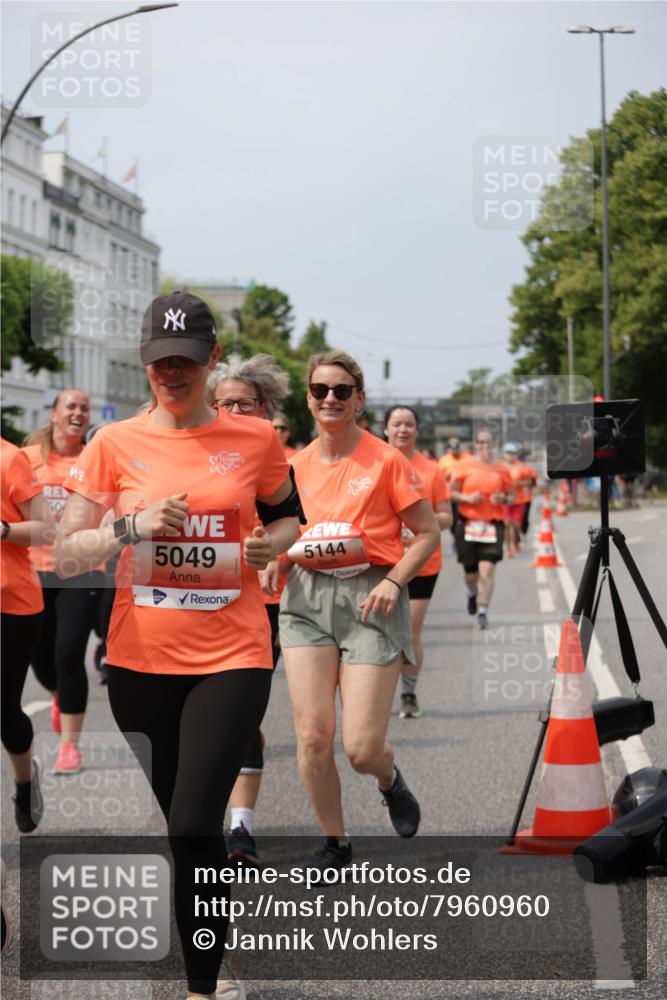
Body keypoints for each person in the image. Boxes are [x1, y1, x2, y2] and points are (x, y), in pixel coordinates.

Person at [54, 291, 300, 1000]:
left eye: (185, 360)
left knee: (196, 820)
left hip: (234, 653)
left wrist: (266, 546)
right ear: (143, 363)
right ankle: (215, 950)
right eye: (159, 360)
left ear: (211, 360)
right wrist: (131, 529)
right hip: (138, 664)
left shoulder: (253, 440)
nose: (171, 371)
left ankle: (199, 990)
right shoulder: (113, 444)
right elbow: (68, 554)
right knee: (185, 836)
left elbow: (291, 522)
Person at [280, 351, 440, 879]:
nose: (330, 399)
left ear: (359, 399)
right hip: (306, 602)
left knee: (361, 747)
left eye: (342, 391)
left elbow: (429, 533)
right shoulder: (291, 467)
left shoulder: (385, 460)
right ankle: (335, 842)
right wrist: (270, 560)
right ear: (308, 398)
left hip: (372, 597)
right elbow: (280, 537)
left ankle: (389, 777)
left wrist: (396, 579)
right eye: (321, 390)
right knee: (312, 735)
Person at [208, 353, 293, 867]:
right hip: (195, 609)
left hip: (262, 608)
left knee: (240, 721)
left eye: (244, 403)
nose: (234, 411)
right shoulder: (195, 452)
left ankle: (240, 827)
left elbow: (296, 523)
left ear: (263, 409)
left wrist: (276, 555)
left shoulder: (275, 459)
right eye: (225, 403)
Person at [23, 389, 103, 773]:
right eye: (70, 406)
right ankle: (57, 695)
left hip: (82, 568)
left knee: (69, 652)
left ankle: (69, 747)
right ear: (54, 415)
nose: (79, 412)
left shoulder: (97, 459)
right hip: (33, 569)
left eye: (84, 408)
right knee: (40, 658)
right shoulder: (28, 460)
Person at [384, 406, 452, 719]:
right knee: (379, 632)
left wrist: (419, 522)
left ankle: (408, 691)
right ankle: (375, 696)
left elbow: (447, 517)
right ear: (385, 429)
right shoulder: (373, 463)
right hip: (381, 561)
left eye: (409, 424)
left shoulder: (431, 470)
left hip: (422, 562)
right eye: (396, 424)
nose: (402, 430)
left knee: (409, 630)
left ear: (417, 430)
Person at [1, 437, 52, 833]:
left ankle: (24, 781)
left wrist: (2, 528)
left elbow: (43, 530)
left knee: (4, 711)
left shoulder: (9, 458)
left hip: (11, 601)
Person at [450, 429, 513, 630]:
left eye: (488, 443)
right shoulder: (462, 466)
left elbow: (512, 496)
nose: (485, 447)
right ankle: (471, 593)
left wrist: (503, 499)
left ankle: (483, 612)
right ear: (475, 444)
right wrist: (467, 498)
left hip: (492, 524)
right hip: (468, 524)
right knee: (471, 575)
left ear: (494, 444)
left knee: (487, 569)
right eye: (480, 442)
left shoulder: (501, 469)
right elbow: (450, 492)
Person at [501, 442, 535, 557]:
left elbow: (531, 481)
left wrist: (519, 483)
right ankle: (508, 547)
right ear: (504, 454)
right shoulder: (499, 466)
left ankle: (516, 541)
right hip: (504, 500)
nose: (510, 456)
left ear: (516, 454)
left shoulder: (523, 467)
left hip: (519, 500)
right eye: (508, 453)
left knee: (516, 524)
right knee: (506, 523)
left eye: (513, 453)